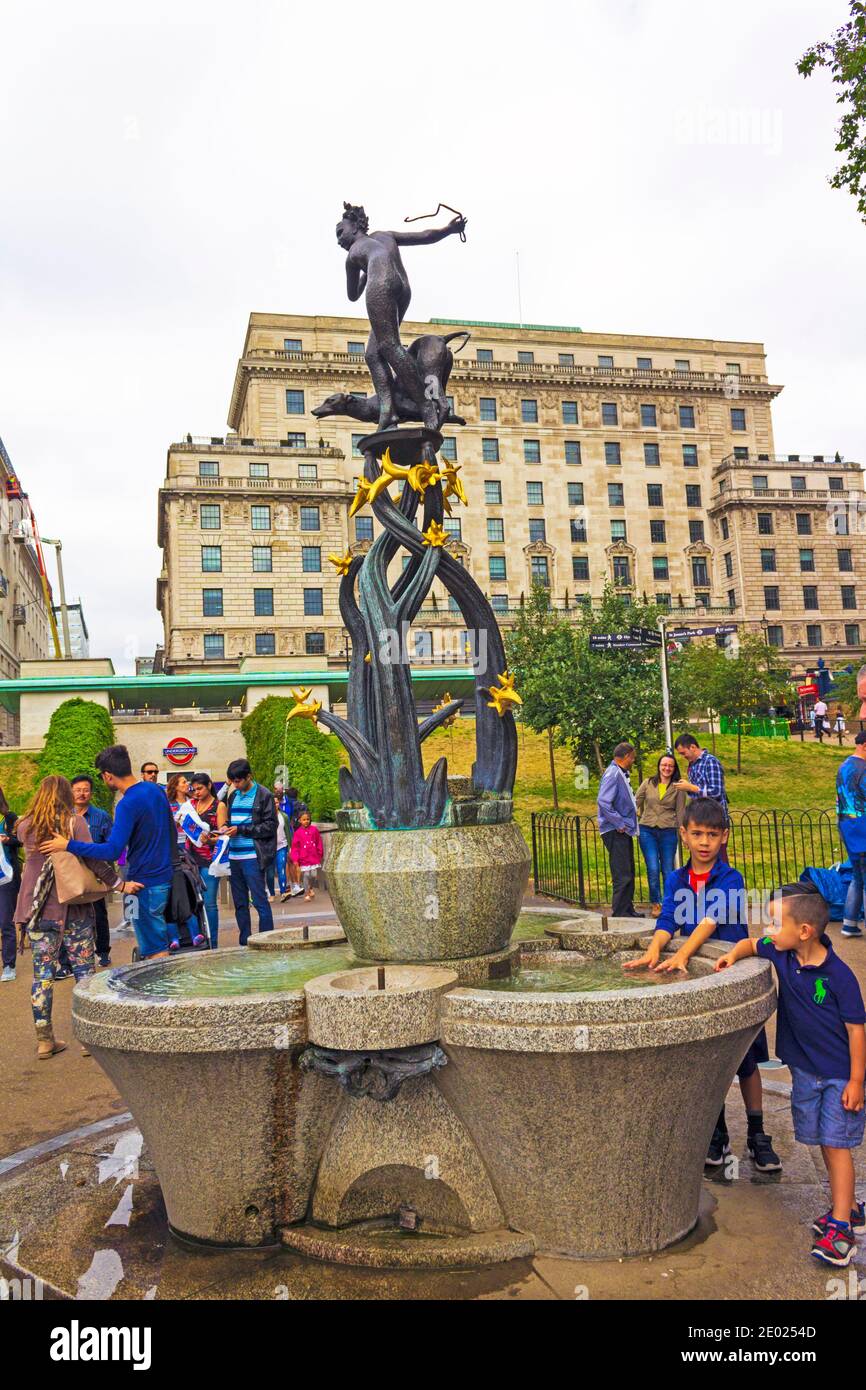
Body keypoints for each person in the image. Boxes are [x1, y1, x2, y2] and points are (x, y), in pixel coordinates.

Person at [624, 797, 781, 1173]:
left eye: (712, 835)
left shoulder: (731, 877)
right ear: (684, 834)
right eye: (697, 834)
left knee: (747, 1062)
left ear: (723, 836)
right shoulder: (677, 878)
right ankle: (717, 1130)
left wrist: (682, 956)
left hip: (730, 977)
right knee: (710, 1063)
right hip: (702, 983)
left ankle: (758, 1134)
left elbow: (711, 920)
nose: (705, 842)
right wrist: (654, 949)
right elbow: (668, 920)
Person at [715, 882, 866, 1268]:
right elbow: (751, 945)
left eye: (774, 923)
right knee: (822, 1142)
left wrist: (856, 1081)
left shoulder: (840, 977)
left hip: (837, 1076)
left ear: (804, 931)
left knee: (837, 1145)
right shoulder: (783, 955)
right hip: (805, 1072)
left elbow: (857, 1030)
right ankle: (844, 1207)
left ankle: (842, 1230)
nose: (768, 930)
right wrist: (731, 956)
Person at [38, 745, 175, 962]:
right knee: (158, 939)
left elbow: (112, 850)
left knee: (154, 950)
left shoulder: (127, 803)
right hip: (164, 877)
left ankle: (163, 994)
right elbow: (171, 831)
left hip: (143, 883)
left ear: (108, 775)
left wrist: (68, 845)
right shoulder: (156, 791)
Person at [16, 776, 118, 1059]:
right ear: (66, 795)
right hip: (73, 907)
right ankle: (87, 1039)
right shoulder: (74, 822)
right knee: (84, 971)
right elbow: (94, 860)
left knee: (42, 975)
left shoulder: (25, 825)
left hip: (37, 909)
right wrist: (116, 883)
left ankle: (45, 1041)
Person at [224, 758, 277, 944]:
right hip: (234, 856)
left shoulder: (264, 795)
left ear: (248, 776)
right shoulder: (233, 796)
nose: (235, 785)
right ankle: (244, 941)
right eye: (233, 781)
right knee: (240, 903)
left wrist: (241, 830)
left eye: (238, 781)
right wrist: (226, 829)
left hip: (253, 856)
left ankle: (266, 940)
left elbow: (270, 826)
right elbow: (232, 822)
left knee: (260, 901)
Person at [635, 753, 687, 918]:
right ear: (659, 766)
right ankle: (656, 903)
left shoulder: (678, 787)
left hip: (668, 830)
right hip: (647, 829)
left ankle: (669, 903)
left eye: (670, 765)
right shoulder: (648, 783)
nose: (667, 768)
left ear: (674, 768)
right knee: (653, 868)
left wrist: (683, 833)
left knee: (667, 869)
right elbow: (635, 802)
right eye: (664, 765)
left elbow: (680, 811)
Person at [70, 774, 113, 967]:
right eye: (78, 790)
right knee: (69, 913)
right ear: (71, 792)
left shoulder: (101, 816)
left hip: (94, 873)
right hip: (70, 875)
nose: (81, 793)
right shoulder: (64, 815)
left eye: (85, 790)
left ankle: (103, 951)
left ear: (91, 793)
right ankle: (68, 959)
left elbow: (111, 845)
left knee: (99, 913)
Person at [597, 742, 641, 918]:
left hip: (622, 830)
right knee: (622, 873)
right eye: (633, 756)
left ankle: (627, 908)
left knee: (628, 870)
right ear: (627, 756)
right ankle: (621, 913)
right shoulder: (613, 774)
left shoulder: (619, 772)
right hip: (615, 831)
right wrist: (619, 823)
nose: (634, 759)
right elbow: (603, 801)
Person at [188, 773, 228, 949]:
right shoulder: (191, 805)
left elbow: (223, 835)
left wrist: (210, 840)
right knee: (191, 902)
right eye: (194, 789)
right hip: (190, 859)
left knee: (209, 902)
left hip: (210, 860)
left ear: (209, 785)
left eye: (200, 788)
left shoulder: (219, 806)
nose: (196, 792)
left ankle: (214, 942)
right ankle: (199, 939)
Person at [836, 730, 866, 940]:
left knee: (857, 876)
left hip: (846, 825)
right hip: (862, 826)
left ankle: (849, 923)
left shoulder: (843, 766)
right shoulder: (863, 769)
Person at [0, 785, 22, 982]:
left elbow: (21, 839)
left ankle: (9, 965)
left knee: (6, 921)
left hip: (6, 877)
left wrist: (8, 840)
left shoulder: (8, 817)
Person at [290, 811, 324, 902]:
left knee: (313, 875)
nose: (306, 821)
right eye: (304, 820)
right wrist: (295, 859)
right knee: (306, 875)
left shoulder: (314, 830)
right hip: (304, 857)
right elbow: (295, 847)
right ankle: (306, 892)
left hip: (313, 857)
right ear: (300, 821)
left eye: (308, 819)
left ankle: (310, 887)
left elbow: (318, 842)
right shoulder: (297, 833)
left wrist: (320, 853)